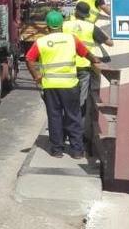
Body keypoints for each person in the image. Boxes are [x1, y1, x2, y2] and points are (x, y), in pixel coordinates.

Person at [25, 10, 100, 158]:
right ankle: (77, 151)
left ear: (47, 26)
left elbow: (29, 59)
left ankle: (57, 150)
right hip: (70, 85)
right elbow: (86, 53)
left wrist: (37, 77)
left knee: (54, 117)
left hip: (50, 86)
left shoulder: (41, 42)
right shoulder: (71, 39)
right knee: (74, 116)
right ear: (62, 24)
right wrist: (95, 60)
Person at [62, 2, 114, 124]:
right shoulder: (91, 27)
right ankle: (78, 129)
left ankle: (66, 125)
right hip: (84, 67)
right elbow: (110, 43)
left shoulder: (64, 25)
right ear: (86, 15)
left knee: (66, 97)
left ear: (75, 11)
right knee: (81, 99)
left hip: (67, 66)